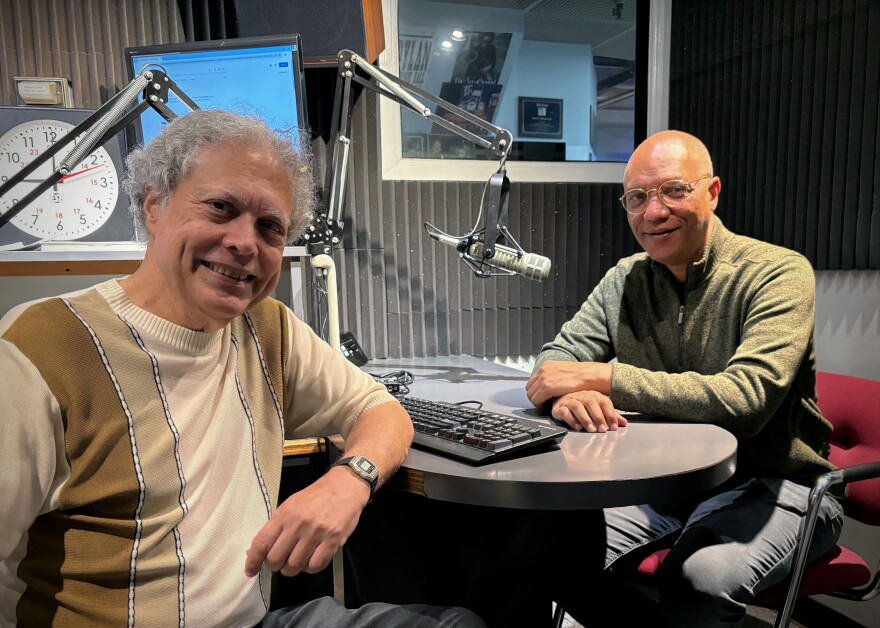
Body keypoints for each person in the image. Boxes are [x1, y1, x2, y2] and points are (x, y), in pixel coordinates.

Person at [0, 110, 485, 627]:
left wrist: (349, 480)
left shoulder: (266, 327)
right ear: (153, 207)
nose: (244, 242)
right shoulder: (41, 349)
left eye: (269, 227)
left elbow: (381, 410)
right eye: (219, 208)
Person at [525, 130, 844, 626]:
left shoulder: (777, 273)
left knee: (703, 577)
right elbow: (555, 362)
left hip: (781, 484)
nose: (654, 213)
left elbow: (747, 400)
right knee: (542, 549)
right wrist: (563, 400)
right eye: (637, 198)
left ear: (712, 192)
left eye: (674, 190)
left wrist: (605, 378)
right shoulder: (624, 280)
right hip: (667, 484)